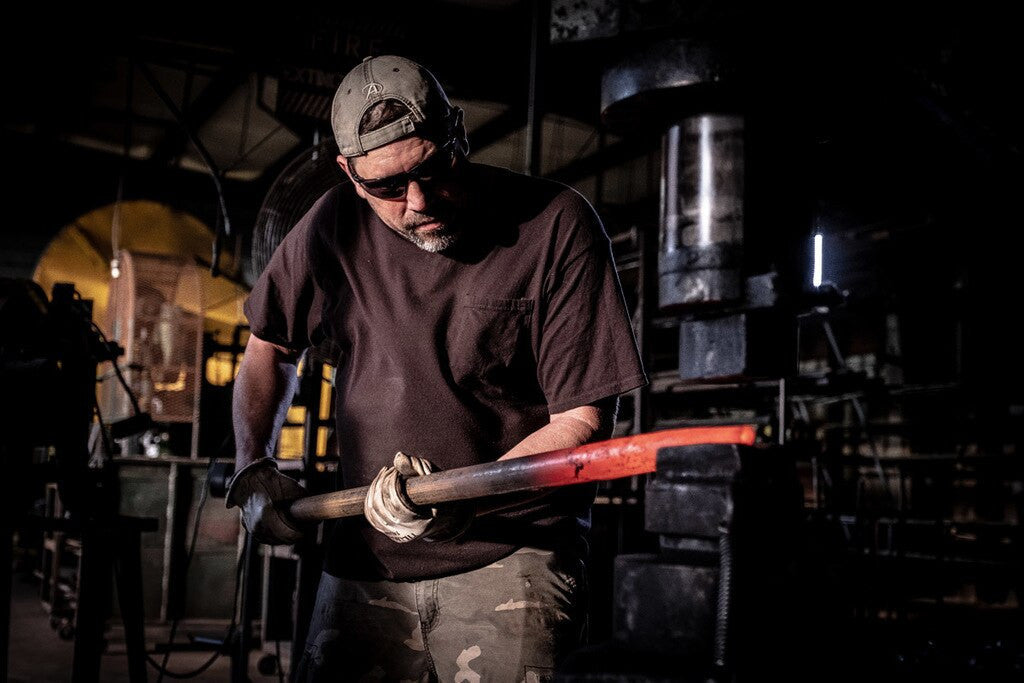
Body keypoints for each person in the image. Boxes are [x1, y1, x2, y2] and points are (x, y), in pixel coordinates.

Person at [226, 55, 646, 681]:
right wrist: (252, 464)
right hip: (365, 560)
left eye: (432, 169)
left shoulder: (556, 225)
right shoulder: (332, 227)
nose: (419, 202)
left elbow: (582, 418)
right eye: (388, 189)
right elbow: (268, 347)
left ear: (459, 133)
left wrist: (467, 500)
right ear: (349, 173)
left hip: (511, 553)